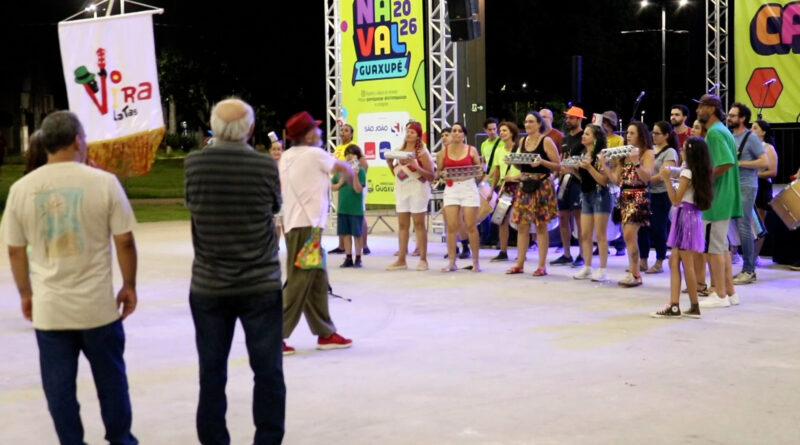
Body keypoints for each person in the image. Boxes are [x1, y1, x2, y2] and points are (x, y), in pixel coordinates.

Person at [2, 111, 139, 445]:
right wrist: (129, 285)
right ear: (78, 140)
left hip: (51, 311)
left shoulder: (22, 189)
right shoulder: (104, 182)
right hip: (98, 309)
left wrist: (25, 293)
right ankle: (120, 439)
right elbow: (124, 240)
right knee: (111, 382)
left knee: (59, 388)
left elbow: (16, 250)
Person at [184, 98, 285, 444]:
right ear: (251, 129)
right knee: (268, 370)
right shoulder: (265, 167)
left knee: (211, 373)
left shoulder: (194, 164)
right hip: (260, 282)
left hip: (209, 285)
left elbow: (193, 207)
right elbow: (274, 206)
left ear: (213, 128)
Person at [281, 111, 355, 351]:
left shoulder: (287, 156)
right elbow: (341, 167)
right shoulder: (314, 154)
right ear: (310, 135)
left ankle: (325, 333)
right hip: (307, 227)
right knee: (298, 282)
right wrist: (352, 169)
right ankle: (273, 335)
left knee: (317, 281)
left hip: (298, 225)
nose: (321, 132)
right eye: (317, 129)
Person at [651, 137, 714, 318]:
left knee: (686, 264)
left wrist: (667, 180)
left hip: (684, 217)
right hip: (690, 215)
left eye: (684, 148)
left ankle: (690, 305)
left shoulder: (687, 172)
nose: (681, 151)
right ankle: (677, 304)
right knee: (675, 262)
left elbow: (676, 199)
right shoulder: (698, 171)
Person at [694, 94, 741, 309]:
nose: (697, 111)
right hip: (724, 196)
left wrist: (703, 179)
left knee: (714, 249)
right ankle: (730, 293)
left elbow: (726, 163)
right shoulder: (722, 130)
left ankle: (719, 294)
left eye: (701, 107)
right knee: (720, 248)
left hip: (717, 198)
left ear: (711, 109)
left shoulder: (714, 133)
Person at [504, 111, 561, 276]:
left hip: (542, 185)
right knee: (522, 225)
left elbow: (558, 166)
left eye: (531, 121)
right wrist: (514, 162)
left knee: (541, 226)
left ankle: (542, 265)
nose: (527, 124)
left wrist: (542, 162)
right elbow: (523, 166)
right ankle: (519, 263)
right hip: (525, 185)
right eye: (526, 121)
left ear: (538, 124)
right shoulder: (522, 141)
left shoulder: (546, 141)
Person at [604, 121, 655, 287]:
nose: (628, 136)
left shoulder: (647, 153)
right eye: (628, 133)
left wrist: (636, 162)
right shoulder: (624, 154)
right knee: (628, 236)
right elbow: (618, 180)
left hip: (638, 195)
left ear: (640, 135)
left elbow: (646, 177)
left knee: (629, 235)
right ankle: (634, 271)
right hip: (624, 195)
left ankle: (635, 273)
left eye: (632, 133)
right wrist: (605, 167)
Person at [386, 121, 435, 271]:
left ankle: (423, 259)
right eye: (407, 131)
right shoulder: (399, 151)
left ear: (418, 136)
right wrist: (389, 164)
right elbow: (396, 174)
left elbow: (431, 176)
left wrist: (416, 166)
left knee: (419, 224)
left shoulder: (422, 153)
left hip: (418, 190)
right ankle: (401, 259)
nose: (408, 134)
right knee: (402, 225)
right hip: (401, 190)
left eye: (412, 132)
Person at [728, 102, 767, 285]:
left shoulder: (750, 137)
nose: (729, 118)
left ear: (742, 118)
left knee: (744, 227)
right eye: (729, 115)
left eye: (733, 115)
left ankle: (749, 270)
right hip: (732, 186)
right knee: (735, 227)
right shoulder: (729, 136)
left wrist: (741, 164)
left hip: (747, 186)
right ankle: (743, 267)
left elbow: (764, 162)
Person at [437, 122, 482, 272]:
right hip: (452, 187)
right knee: (451, 226)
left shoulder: (472, 150)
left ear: (464, 134)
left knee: (470, 225)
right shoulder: (442, 153)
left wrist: (480, 172)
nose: (456, 133)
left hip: (468, 186)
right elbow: (438, 172)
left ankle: (476, 262)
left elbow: (479, 170)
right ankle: (452, 262)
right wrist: (442, 175)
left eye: (459, 131)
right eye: (453, 131)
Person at [638, 121, 678, 274]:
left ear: (666, 135)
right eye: (652, 133)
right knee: (642, 227)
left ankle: (660, 260)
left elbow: (664, 174)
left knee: (658, 227)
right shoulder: (649, 150)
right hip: (646, 192)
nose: (653, 136)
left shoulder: (670, 152)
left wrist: (645, 178)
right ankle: (643, 259)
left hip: (661, 193)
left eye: (657, 133)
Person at [572, 124, 611, 282]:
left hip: (600, 194)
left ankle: (602, 268)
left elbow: (603, 180)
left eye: (587, 134)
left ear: (595, 138)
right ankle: (587, 266)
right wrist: (574, 170)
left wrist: (588, 167)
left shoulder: (602, 155)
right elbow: (583, 178)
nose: (583, 136)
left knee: (600, 234)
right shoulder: (582, 153)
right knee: (585, 233)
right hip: (586, 194)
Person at [551, 106, 586, 267]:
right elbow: (562, 159)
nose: (568, 120)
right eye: (568, 117)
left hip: (578, 182)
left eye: (571, 118)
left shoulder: (584, 137)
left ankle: (583, 253)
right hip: (564, 181)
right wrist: (557, 174)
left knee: (579, 220)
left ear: (579, 119)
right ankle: (566, 253)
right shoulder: (564, 139)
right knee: (563, 217)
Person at [329, 123, 371, 255]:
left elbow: (364, 165)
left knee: (359, 214)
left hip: (355, 184)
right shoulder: (338, 148)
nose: (343, 132)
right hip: (341, 184)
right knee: (343, 213)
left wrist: (357, 177)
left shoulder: (354, 147)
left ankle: (364, 245)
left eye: (346, 130)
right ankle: (342, 246)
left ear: (351, 134)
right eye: (341, 130)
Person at [487, 121, 521, 262]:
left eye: (505, 130)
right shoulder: (499, 150)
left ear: (512, 133)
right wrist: (491, 189)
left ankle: (521, 251)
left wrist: (512, 177)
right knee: (502, 219)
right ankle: (503, 251)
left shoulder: (519, 149)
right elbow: (496, 170)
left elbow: (526, 171)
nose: (501, 133)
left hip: (518, 186)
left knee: (520, 220)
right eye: (500, 130)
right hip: (505, 187)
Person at [333, 144, 367, 268]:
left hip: (355, 209)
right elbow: (332, 186)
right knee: (346, 234)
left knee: (357, 234)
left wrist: (355, 175)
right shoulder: (340, 171)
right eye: (347, 153)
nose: (349, 156)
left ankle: (358, 257)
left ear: (357, 157)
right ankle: (348, 257)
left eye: (352, 153)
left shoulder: (361, 171)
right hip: (343, 207)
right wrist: (340, 182)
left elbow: (358, 190)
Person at [601, 110, 627, 257]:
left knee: (615, 211)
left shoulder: (618, 139)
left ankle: (620, 244)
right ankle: (602, 243)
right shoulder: (599, 139)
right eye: (603, 121)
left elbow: (620, 159)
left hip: (614, 177)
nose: (604, 124)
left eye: (607, 121)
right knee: (603, 213)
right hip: (602, 177)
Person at [752, 120, 778, 259]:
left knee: (759, 223)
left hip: (762, 187)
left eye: (755, 128)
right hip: (749, 185)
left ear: (763, 132)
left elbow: (773, 172)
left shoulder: (768, 148)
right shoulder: (748, 147)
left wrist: (755, 174)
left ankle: (755, 256)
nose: (752, 130)